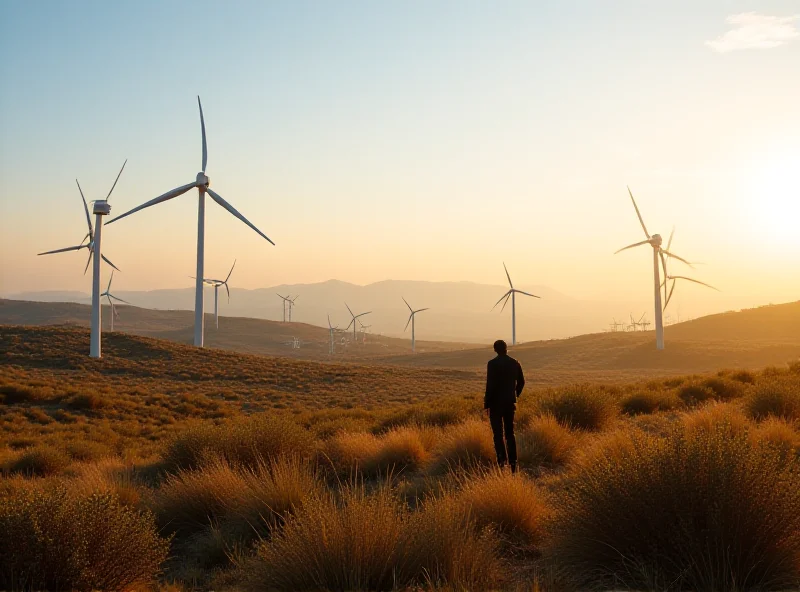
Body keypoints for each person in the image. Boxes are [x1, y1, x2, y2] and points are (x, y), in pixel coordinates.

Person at [484, 339, 525, 473]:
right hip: (509, 403)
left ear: (495, 350)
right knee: (510, 434)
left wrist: (487, 404)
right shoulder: (515, 363)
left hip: (495, 404)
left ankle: (502, 462)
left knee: (497, 434)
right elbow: (522, 382)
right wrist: (514, 395)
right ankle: (513, 464)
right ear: (506, 348)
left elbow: (490, 386)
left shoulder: (492, 364)